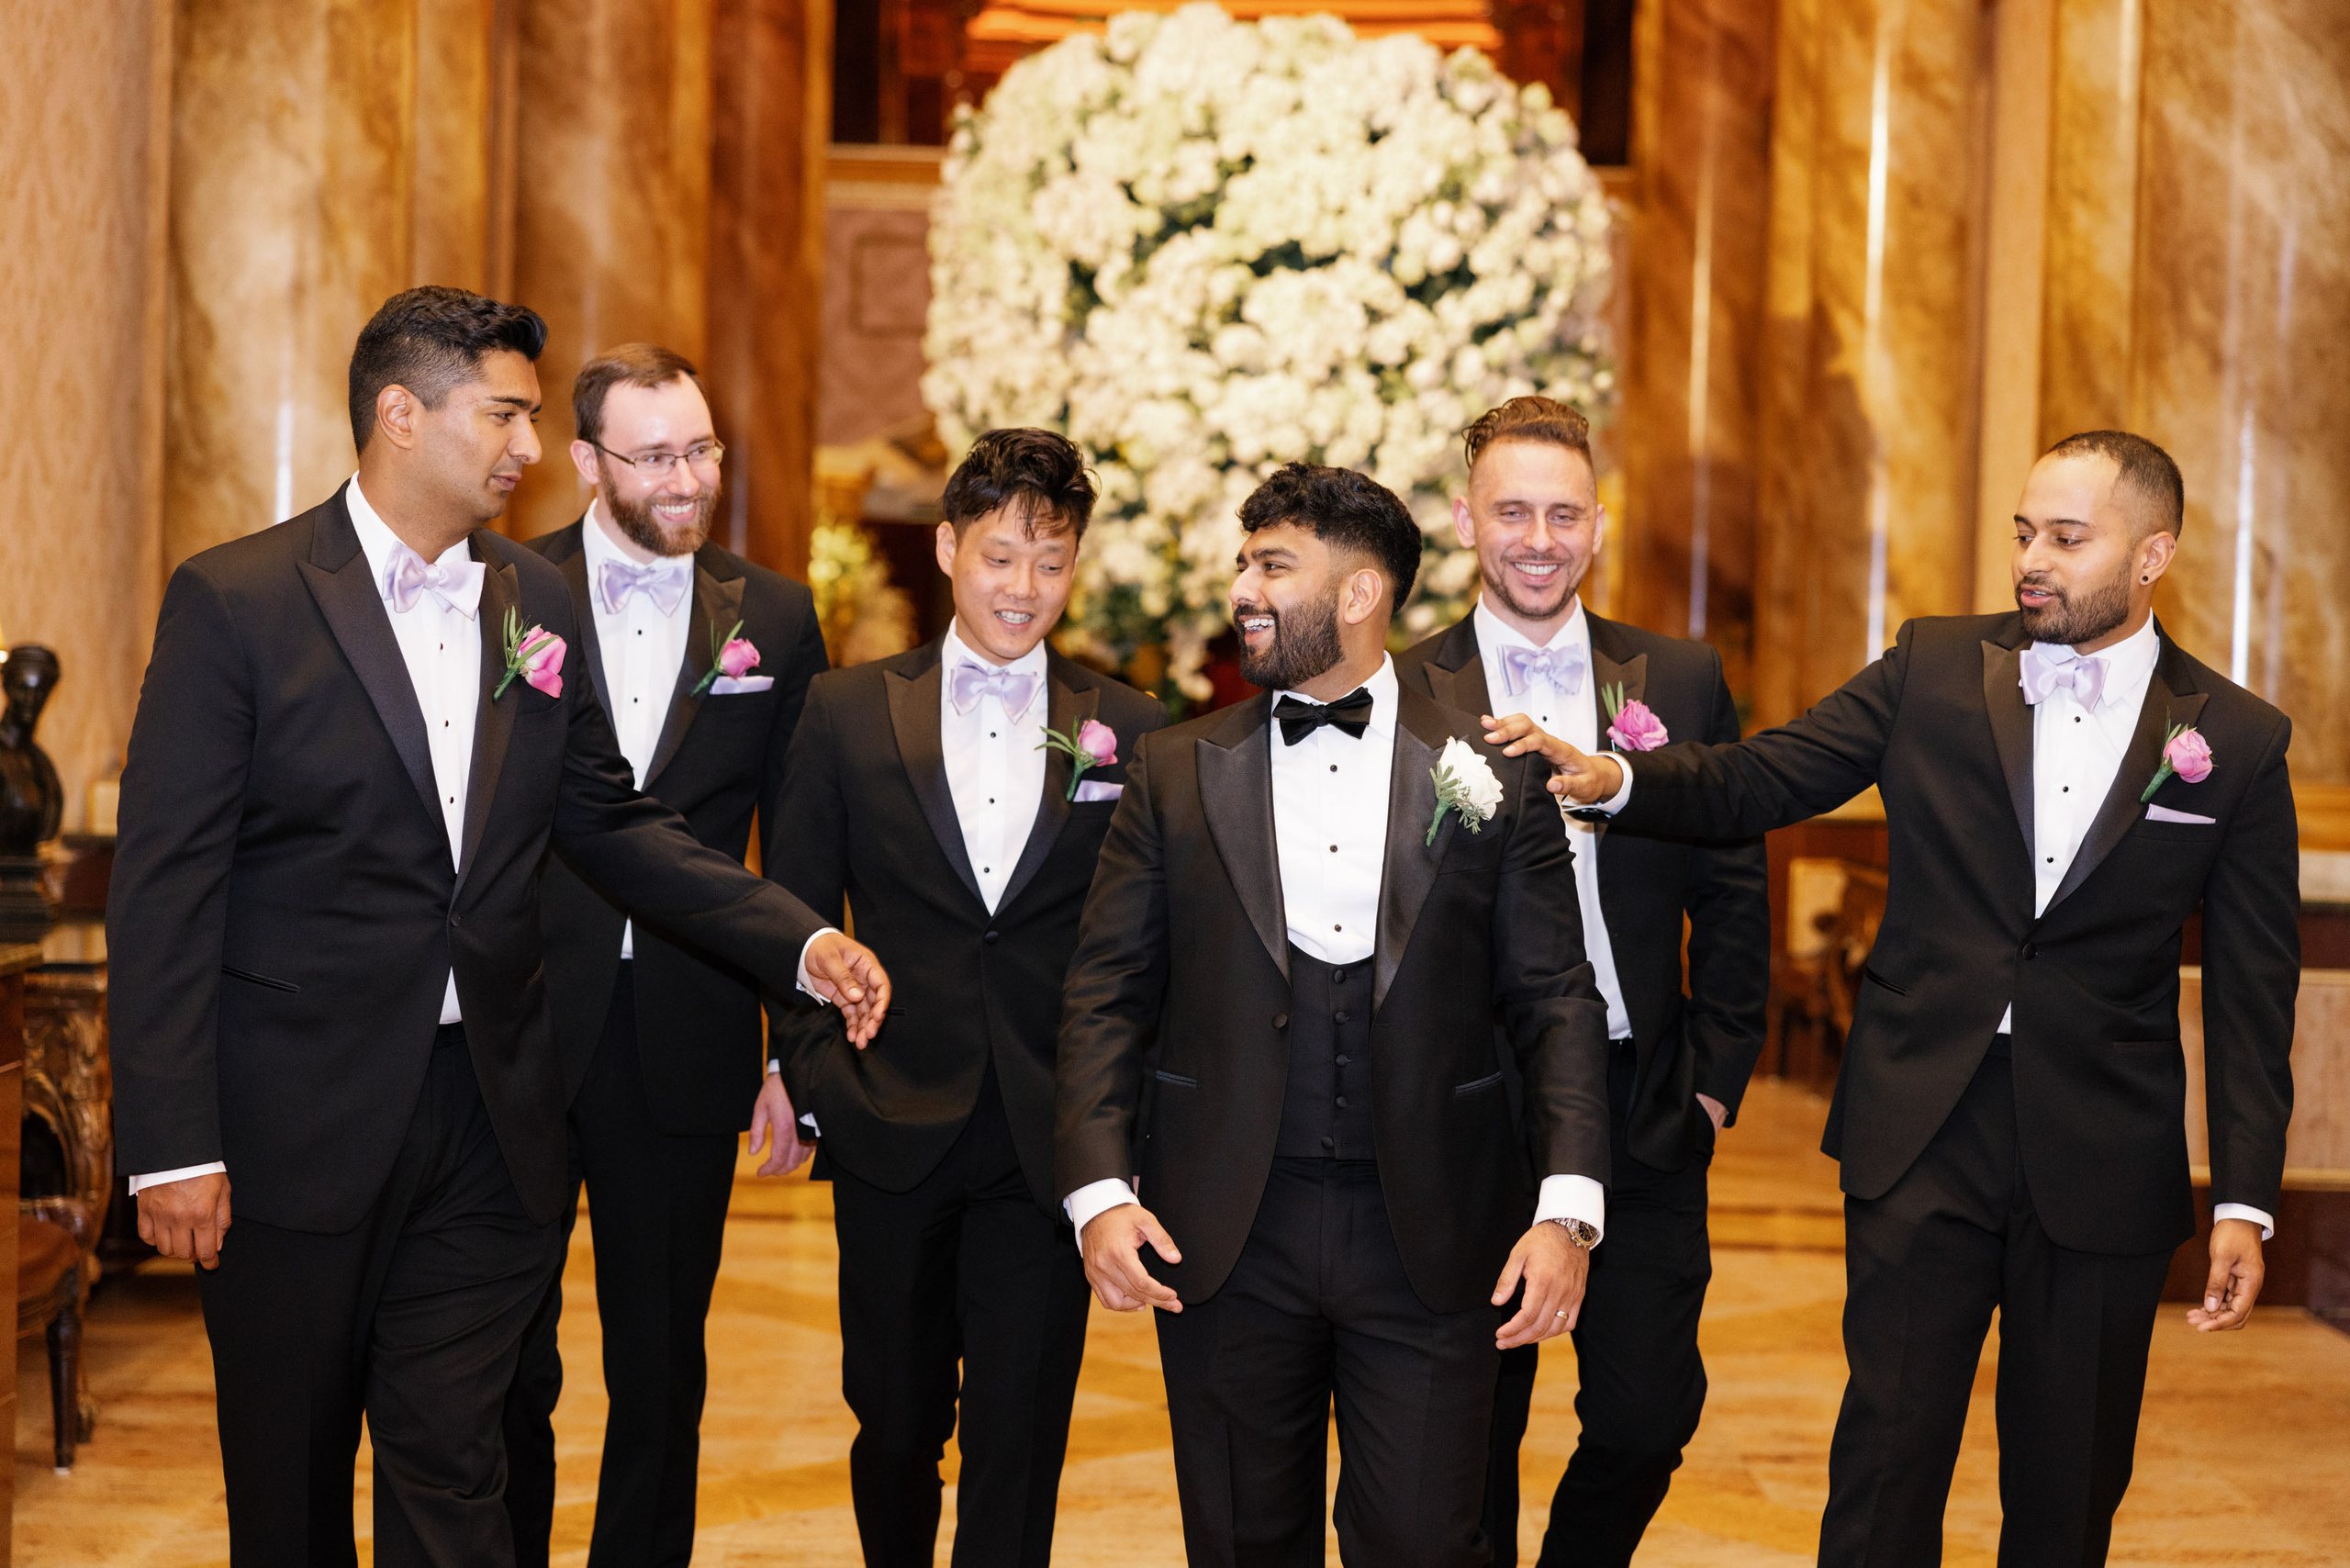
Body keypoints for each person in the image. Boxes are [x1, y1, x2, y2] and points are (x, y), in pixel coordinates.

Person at [107, 286, 890, 1568]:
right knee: (291, 1489)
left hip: (490, 1117)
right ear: (402, 415)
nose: (529, 446)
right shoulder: (237, 601)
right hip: (294, 1122)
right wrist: (171, 1144)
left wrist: (796, 942)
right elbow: (165, 887)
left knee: (453, 1466)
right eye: (508, 414)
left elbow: (615, 823)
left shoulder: (534, 600)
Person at [1511, 431, 2297, 1566]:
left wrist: (2245, 1200)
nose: (2033, 559)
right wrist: (1619, 776)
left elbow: (2252, 989)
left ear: (2152, 554)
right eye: (2025, 533)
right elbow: (1766, 772)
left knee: (2067, 1483)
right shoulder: (1933, 666)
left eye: (2068, 539)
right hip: (1922, 1120)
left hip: (2103, 1142)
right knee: (1884, 1460)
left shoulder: (2235, 739)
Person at [1057, 462, 1614, 1568]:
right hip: (1223, 1234)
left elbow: (1555, 999)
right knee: (1237, 1540)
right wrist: (1097, 1193)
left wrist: (1567, 1211)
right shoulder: (1175, 771)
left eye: (1273, 566)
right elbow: (1104, 992)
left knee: (1420, 1540)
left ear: (1358, 595)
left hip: (1434, 1235)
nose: (1242, 590)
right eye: (1242, 563)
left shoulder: (1492, 773)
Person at [767, 428, 1167, 1567]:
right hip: (889, 1110)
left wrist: (1124, 1126)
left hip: (1050, 1134)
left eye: (1049, 563)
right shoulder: (844, 710)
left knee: (1021, 1429)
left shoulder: (1128, 727)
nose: (1022, 589)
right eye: (999, 557)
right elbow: (793, 908)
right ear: (947, 549)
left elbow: (1143, 945)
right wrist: (803, 1075)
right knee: (893, 1421)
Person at [1397, 397, 1769, 1566]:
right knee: (1472, 1424)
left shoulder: (1679, 678)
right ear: (1465, 520)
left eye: (1564, 513)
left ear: (1599, 526)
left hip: (1644, 1091)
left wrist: (1713, 1076)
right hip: (1475, 1100)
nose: (1539, 538)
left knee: (1646, 1412)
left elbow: (1736, 886)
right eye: (1512, 511)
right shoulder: (1407, 694)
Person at [500, 343, 832, 1566]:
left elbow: (797, 852)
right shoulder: (501, 588)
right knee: (501, 1356)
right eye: (655, 456)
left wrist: (791, 1062)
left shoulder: (777, 618)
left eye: (701, 449)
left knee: (660, 1365)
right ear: (587, 461)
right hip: (520, 1026)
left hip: (688, 1033)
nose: (689, 478)